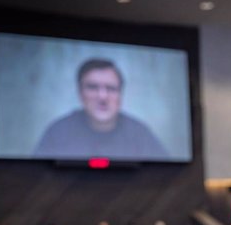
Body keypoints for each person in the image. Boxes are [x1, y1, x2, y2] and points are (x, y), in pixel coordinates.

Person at [33, 58, 167, 160]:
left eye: (111, 89)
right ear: (80, 93)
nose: (102, 97)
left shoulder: (140, 134)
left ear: (120, 95)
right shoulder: (58, 132)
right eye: (93, 87)